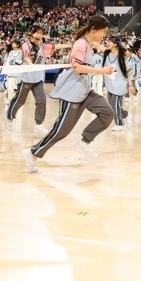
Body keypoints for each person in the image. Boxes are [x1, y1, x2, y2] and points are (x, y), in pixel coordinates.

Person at [21, 15, 116, 173]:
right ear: (94, 29)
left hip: (85, 90)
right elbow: (77, 67)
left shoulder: (89, 43)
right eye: (104, 31)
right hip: (72, 91)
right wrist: (102, 71)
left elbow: (100, 49)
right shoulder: (80, 44)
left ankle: (85, 141)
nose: (105, 35)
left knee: (107, 113)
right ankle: (32, 152)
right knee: (61, 131)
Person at [5, 25, 70, 135]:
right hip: (26, 77)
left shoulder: (43, 46)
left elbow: (55, 46)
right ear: (32, 33)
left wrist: (70, 44)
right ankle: (9, 117)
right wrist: (32, 65)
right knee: (20, 101)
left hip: (38, 78)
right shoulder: (26, 44)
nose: (40, 35)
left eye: (41, 33)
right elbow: (26, 56)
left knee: (42, 101)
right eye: (38, 33)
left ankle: (38, 125)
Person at [103, 38, 136, 131]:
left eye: (109, 41)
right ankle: (126, 114)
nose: (107, 43)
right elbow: (99, 47)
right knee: (111, 105)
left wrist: (130, 85)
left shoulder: (121, 57)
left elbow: (128, 72)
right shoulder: (107, 54)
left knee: (114, 105)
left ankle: (120, 124)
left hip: (120, 84)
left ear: (115, 44)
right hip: (110, 83)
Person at [3, 40, 23, 108]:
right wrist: (6, 70)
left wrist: (16, 61)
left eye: (14, 43)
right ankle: (9, 101)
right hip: (11, 72)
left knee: (18, 88)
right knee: (10, 88)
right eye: (12, 43)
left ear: (18, 45)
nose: (13, 45)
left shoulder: (21, 52)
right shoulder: (11, 52)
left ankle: (17, 101)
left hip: (18, 73)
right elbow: (7, 62)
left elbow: (22, 62)